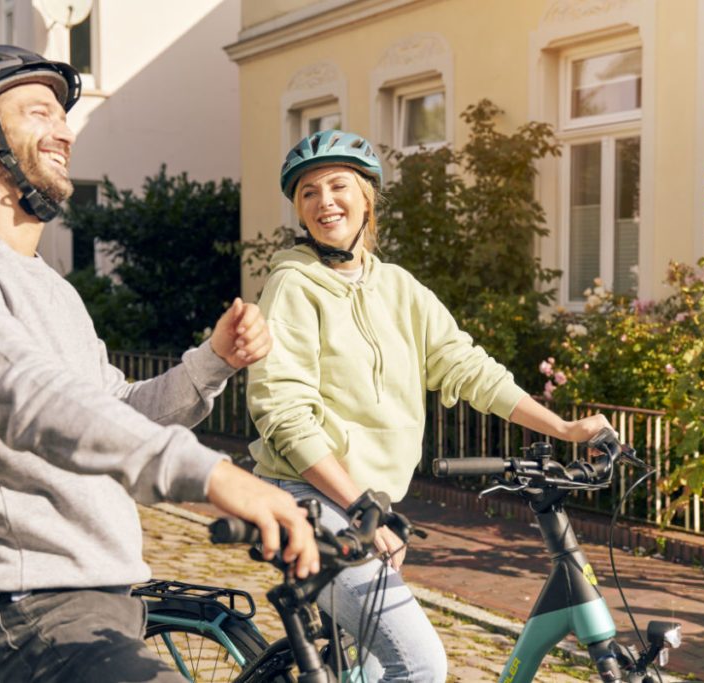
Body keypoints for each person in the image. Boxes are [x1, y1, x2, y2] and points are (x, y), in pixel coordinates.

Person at [0, 45, 319, 683]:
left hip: (110, 598)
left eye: (64, 116)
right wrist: (215, 477)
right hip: (40, 611)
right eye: (40, 112)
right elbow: (31, 403)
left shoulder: (52, 286)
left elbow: (116, 409)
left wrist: (212, 362)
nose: (65, 130)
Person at [246, 129, 614, 683]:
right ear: (299, 211)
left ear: (367, 197)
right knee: (418, 663)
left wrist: (562, 427)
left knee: (369, 668)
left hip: (366, 506)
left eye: (338, 185)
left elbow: (467, 368)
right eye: (308, 192)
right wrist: (367, 511)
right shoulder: (292, 287)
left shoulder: (399, 287)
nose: (325, 201)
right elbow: (285, 414)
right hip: (308, 500)